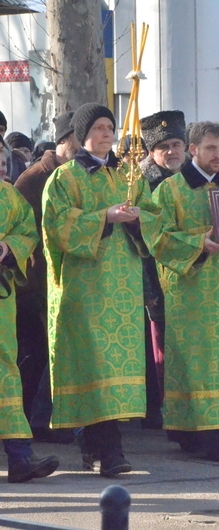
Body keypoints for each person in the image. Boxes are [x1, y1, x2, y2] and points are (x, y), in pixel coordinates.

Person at [42, 103, 160, 477]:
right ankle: (105, 450)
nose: (107, 133)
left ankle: (97, 448)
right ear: (81, 135)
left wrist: (139, 218)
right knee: (90, 366)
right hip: (84, 289)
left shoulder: (129, 174)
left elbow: (153, 216)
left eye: (110, 126)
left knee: (112, 370)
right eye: (98, 127)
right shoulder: (65, 178)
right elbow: (58, 227)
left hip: (122, 290)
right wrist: (104, 217)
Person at [152, 121, 219, 462]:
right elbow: (159, 237)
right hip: (191, 292)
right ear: (193, 150)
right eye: (210, 148)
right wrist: (199, 243)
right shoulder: (170, 191)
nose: (217, 155)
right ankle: (211, 436)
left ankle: (202, 430)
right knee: (197, 362)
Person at [14, 111, 80, 444]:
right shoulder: (33, 178)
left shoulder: (78, 176)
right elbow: (25, 231)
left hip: (68, 282)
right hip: (35, 285)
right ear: (66, 139)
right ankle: (35, 420)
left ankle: (48, 419)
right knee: (38, 355)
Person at [1, 173, 60, 483]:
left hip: (2, 303)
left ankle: (21, 456)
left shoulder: (10, 195)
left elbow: (27, 230)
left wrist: (8, 247)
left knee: (6, 373)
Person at [138, 110, 189, 429]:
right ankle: (157, 407)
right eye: (164, 146)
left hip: (188, 275)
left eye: (176, 144)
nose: (172, 152)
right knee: (157, 346)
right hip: (152, 276)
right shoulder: (142, 182)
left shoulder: (192, 179)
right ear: (151, 152)